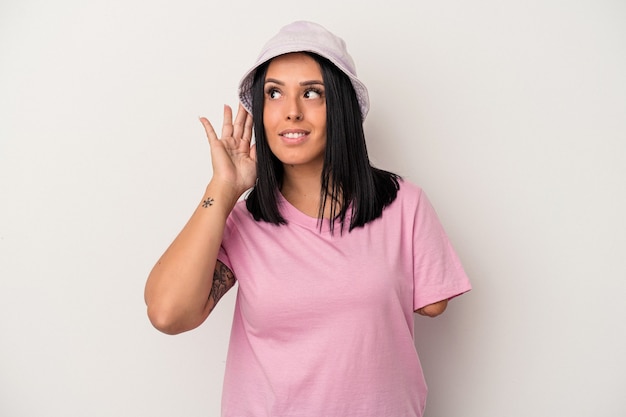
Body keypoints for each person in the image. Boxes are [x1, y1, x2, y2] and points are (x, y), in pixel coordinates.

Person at [145, 20, 471, 417]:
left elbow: (433, 303)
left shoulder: (403, 204)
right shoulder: (245, 221)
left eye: (312, 93)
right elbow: (167, 313)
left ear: (341, 107)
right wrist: (223, 188)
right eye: (274, 93)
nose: (292, 112)